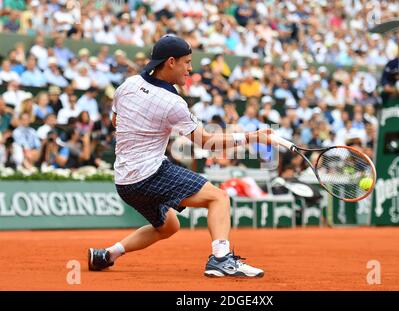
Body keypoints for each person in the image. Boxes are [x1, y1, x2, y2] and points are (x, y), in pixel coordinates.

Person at [88, 35, 271, 278]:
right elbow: (207, 142)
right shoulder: (172, 102)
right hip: (149, 174)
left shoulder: (127, 85)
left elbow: (115, 120)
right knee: (218, 198)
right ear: (171, 62)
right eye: (187, 62)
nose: (190, 68)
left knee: (168, 226)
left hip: (124, 182)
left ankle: (106, 255)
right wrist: (251, 137)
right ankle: (221, 259)